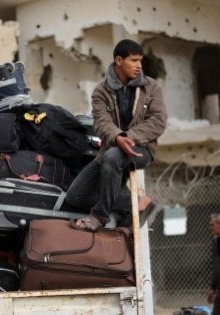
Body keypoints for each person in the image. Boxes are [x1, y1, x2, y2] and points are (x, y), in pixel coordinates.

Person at [65, 39, 167, 231]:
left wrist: (130, 137)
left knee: (113, 157)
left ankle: (98, 216)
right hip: (111, 147)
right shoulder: (100, 92)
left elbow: (159, 121)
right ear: (119, 60)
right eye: (134, 60)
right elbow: (101, 123)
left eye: (140, 61)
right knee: (75, 195)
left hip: (141, 149)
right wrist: (118, 137)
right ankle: (138, 203)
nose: (139, 66)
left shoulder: (151, 87)